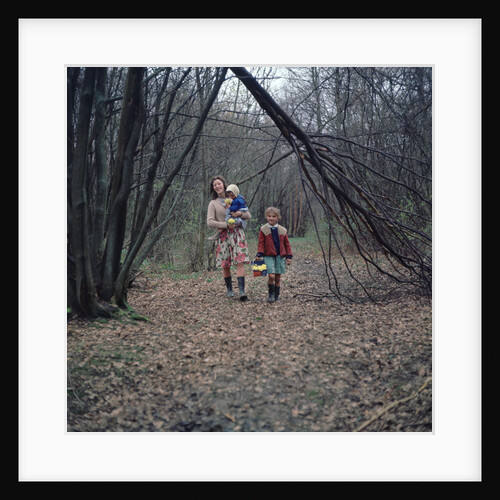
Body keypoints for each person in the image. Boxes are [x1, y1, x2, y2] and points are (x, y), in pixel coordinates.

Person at [207, 176, 251, 300]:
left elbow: (248, 215)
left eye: (219, 184)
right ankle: (230, 290)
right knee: (225, 264)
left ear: (223, 184)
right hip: (223, 236)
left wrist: (240, 214)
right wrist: (226, 225)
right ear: (213, 188)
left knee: (240, 261)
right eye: (215, 185)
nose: (217, 186)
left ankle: (242, 291)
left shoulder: (235, 197)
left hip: (237, 234)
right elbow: (210, 222)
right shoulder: (213, 203)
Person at [256, 206, 293, 302]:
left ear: (277, 218)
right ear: (266, 217)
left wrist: (289, 256)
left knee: (277, 277)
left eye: (273, 216)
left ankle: (277, 296)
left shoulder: (282, 230)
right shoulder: (263, 229)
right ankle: (270, 295)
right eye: (269, 216)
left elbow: (287, 244)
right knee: (271, 275)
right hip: (268, 255)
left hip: (279, 256)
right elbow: (261, 243)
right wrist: (259, 253)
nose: (271, 218)